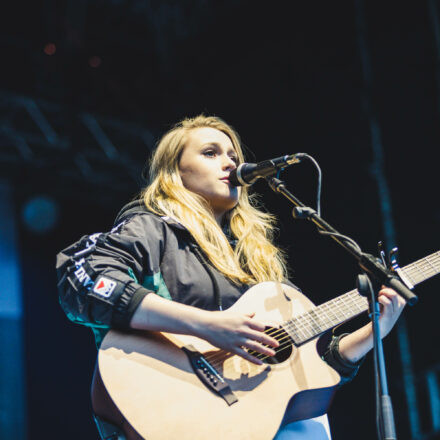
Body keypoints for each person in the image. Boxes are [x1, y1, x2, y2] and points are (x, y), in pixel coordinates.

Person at [56, 115, 406, 440]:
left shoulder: (256, 259)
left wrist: (376, 328)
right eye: (211, 153)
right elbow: (84, 278)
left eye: (233, 154)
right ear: (175, 171)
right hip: (178, 411)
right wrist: (208, 325)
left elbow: (313, 367)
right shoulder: (151, 227)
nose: (230, 163)